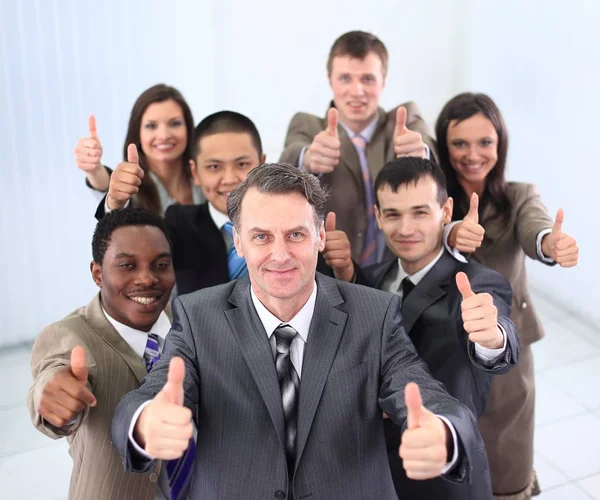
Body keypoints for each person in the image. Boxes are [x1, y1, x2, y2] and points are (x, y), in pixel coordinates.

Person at [111, 162, 484, 500]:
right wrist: (145, 423)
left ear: (320, 236)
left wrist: (444, 433)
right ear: (238, 241)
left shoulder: (375, 313)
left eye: (295, 235)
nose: (279, 255)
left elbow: (425, 393)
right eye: (261, 237)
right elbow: (148, 396)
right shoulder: (197, 316)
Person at [435, 92, 579, 499]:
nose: (473, 155)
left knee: (506, 448)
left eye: (485, 142)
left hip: (508, 344)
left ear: (500, 144)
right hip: (446, 344)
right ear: (445, 148)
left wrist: (550, 242)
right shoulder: (436, 198)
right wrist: (449, 232)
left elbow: (536, 227)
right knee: (454, 450)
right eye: (460, 143)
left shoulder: (519, 195)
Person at [364, 157, 520, 500]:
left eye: (420, 212)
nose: (405, 228)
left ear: (446, 211)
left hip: (443, 473)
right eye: (392, 214)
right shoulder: (371, 277)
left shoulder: (479, 282)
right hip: (375, 473)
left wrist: (493, 336)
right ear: (377, 215)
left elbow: (497, 345)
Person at [97, 110, 364, 294]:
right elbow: (123, 248)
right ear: (195, 173)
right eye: (214, 167)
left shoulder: (299, 224)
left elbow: (345, 302)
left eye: (242, 164)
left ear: (261, 162)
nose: (229, 179)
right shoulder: (177, 223)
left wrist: (345, 270)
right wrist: (116, 202)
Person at [27, 208, 176, 499]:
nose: (147, 278)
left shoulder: (193, 322)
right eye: (127, 266)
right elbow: (51, 375)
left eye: (160, 264)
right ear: (98, 273)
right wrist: (55, 400)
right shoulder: (69, 335)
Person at [280, 30, 436, 265]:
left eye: (368, 79)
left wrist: (421, 154)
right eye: (345, 78)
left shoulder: (403, 120)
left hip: (397, 269)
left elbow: (428, 147)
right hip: (332, 271)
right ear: (330, 79)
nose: (357, 91)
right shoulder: (308, 125)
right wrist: (308, 158)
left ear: (383, 80)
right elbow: (289, 157)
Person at [75, 83, 204, 215]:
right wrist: (95, 170)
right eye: (151, 126)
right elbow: (110, 192)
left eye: (175, 123)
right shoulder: (130, 186)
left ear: (188, 128)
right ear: (138, 133)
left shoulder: (204, 178)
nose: (164, 135)